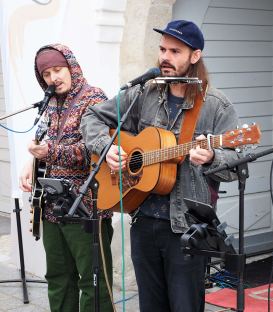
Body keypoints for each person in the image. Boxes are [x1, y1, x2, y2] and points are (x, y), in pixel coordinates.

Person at [80, 20, 239, 312]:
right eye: (163, 49)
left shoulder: (216, 105)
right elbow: (91, 117)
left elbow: (238, 165)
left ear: (195, 56)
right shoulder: (144, 93)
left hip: (187, 229)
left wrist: (213, 158)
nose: (165, 57)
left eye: (175, 51)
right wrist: (107, 147)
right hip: (142, 220)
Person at [19, 44, 114, 312]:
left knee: (92, 281)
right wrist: (32, 161)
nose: (53, 78)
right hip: (51, 206)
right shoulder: (49, 103)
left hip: (85, 206)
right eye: (46, 74)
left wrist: (51, 152)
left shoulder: (94, 97)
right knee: (58, 278)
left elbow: (94, 151)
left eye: (58, 69)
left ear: (71, 66)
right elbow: (46, 141)